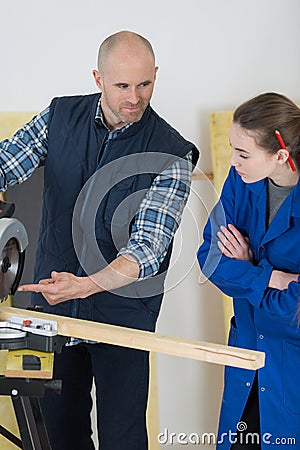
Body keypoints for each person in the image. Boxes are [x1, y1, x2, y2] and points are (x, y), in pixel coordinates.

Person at [0, 30, 199, 450]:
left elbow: (148, 248)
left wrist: (86, 284)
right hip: (52, 309)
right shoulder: (59, 117)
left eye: (144, 84)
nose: (135, 97)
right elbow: (7, 164)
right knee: (55, 435)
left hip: (122, 316)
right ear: (98, 78)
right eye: (122, 85)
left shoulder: (172, 153)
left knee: (122, 439)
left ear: (155, 75)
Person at [197, 92, 300, 449]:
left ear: (280, 156)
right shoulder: (241, 181)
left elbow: (295, 310)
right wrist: (270, 277)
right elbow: (210, 257)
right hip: (245, 355)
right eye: (231, 149)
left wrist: (246, 269)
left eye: (243, 153)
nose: (233, 161)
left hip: (292, 366)